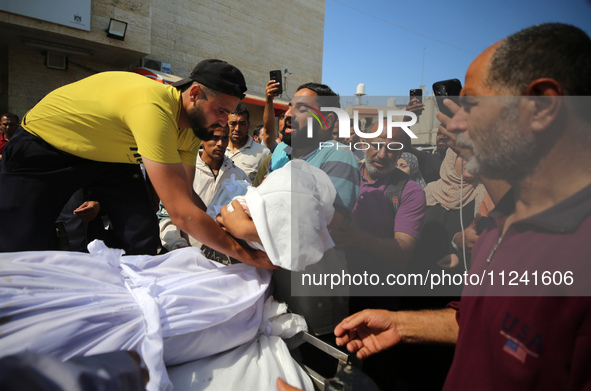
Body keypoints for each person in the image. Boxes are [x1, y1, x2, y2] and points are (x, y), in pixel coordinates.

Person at [334, 23, 591, 390]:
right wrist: (403, 324)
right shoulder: (501, 221)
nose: (453, 124)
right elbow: (485, 319)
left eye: (470, 105)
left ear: (542, 106)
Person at [0, 59, 271, 268]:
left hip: (110, 156)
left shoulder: (191, 128)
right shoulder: (153, 109)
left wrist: (227, 227)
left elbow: (185, 196)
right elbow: (181, 213)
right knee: (21, 247)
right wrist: (247, 256)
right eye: (221, 110)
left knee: (142, 234)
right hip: (45, 147)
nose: (224, 122)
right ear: (195, 93)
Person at [158, 124, 250, 253]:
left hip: (228, 258)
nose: (220, 143)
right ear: (201, 140)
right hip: (188, 254)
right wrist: (178, 247)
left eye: (224, 138)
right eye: (214, 138)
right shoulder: (183, 172)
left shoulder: (239, 176)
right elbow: (167, 214)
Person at [225, 103, 270, 181]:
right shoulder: (218, 148)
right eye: (233, 124)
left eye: (242, 124)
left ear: (248, 125)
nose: (237, 129)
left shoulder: (263, 153)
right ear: (226, 124)